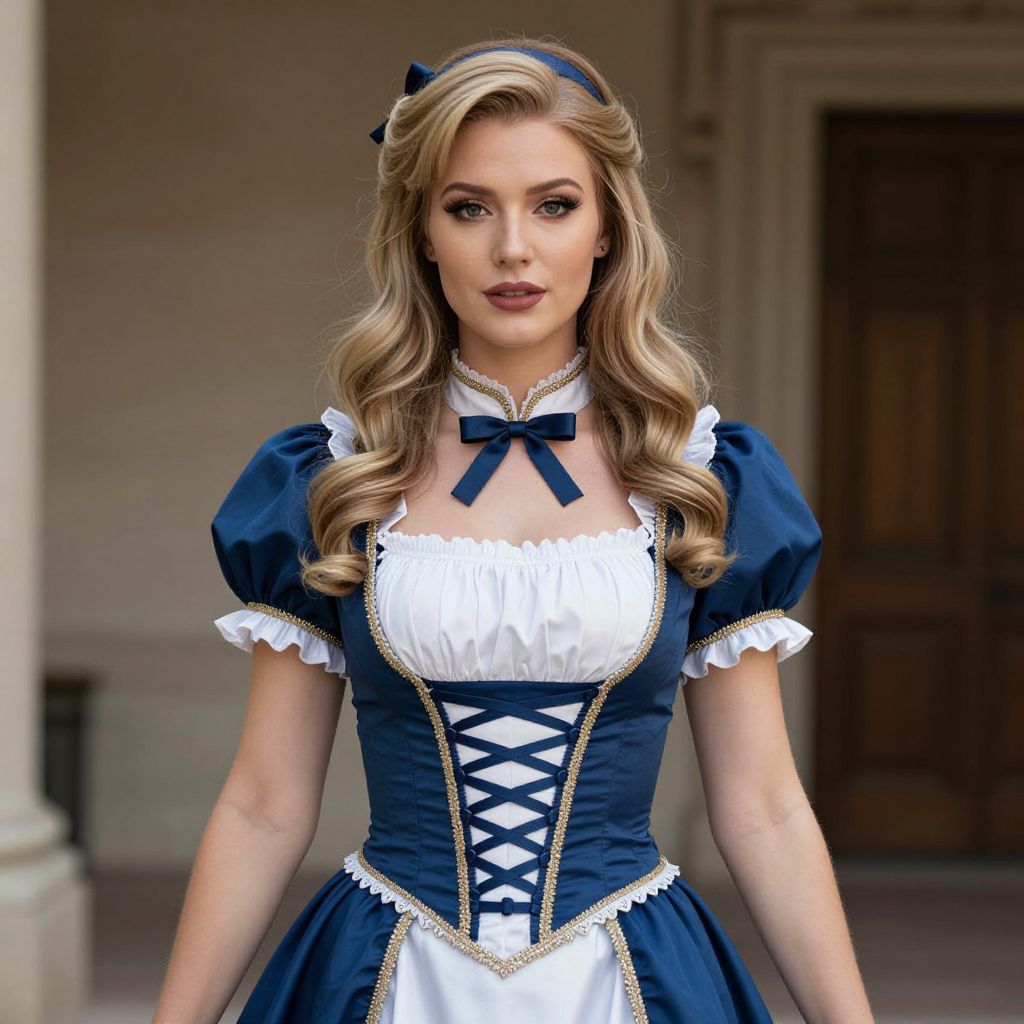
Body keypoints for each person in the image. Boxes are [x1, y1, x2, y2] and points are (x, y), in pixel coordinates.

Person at [153, 36, 876, 1024]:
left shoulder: (703, 479)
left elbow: (762, 808)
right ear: (421, 232)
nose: (512, 249)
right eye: (467, 207)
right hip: (387, 972)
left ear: (608, 228)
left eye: (553, 203)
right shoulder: (332, 480)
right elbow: (264, 803)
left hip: (629, 979)